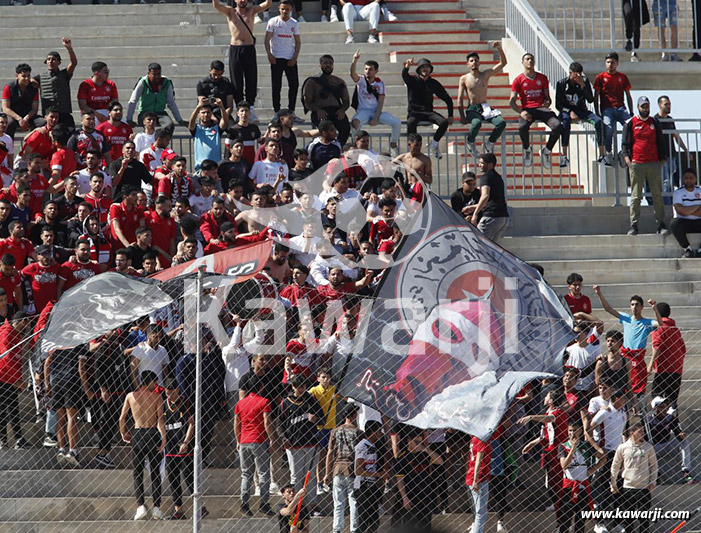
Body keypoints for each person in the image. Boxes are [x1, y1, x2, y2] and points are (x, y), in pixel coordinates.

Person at [594, 286, 661, 398]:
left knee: (638, 390)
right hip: (625, 357)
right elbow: (608, 309)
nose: (634, 307)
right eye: (632, 304)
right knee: (623, 386)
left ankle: (638, 408)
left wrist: (655, 309)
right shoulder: (627, 318)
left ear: (642, 307)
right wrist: (599, 293)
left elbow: (661, 325)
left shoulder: (647, 322)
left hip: (638, 358)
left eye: (637, 304)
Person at [213, 0, 272, 123]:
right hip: (236, 48)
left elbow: (266, 4)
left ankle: (251, 108)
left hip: (249, 48)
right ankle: (240, 109)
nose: (243, 0)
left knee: (251, 79)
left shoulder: (252, 10)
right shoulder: (230, 11)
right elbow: (217, 6)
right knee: (236, 81)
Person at [119, 370, 166, 521]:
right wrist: (163, 438)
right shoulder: (157, 397)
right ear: (149, 382)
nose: (156, 385)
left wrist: (123, 433)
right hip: (152, 434)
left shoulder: (130, 396)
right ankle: (157, 507)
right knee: (155, 472)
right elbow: (160, 421)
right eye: (154, 382)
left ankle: (140, 506)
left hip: (138, 434)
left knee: (138, 472)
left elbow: (122, 418)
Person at [621, 96, 669, 236]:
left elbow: (661, 140)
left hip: (653, 163)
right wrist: (628, 160)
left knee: (657, 195)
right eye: (643, 106)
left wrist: (663, 158)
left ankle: (660, 224)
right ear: (638, 107)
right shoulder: (630, 123)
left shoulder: (654, 122)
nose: (645, 109)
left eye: (647, 106)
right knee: (636, 196)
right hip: (637, 164)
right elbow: (624, 143)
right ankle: (634, 225)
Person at [509, 52, 562, 169]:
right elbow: (512, 101)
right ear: (522, 62)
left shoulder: (542, 78)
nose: (530, 61)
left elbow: (548, 97)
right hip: (528, 109)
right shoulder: (518, 80)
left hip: (542, 109)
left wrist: (548, 101)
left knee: (558, 126)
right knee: (522, 127)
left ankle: (546, 150)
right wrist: (521, 112)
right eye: (527, 59)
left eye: (532, 59)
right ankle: (527, 149)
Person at [457, 42, 508, 157]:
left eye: (476, 60)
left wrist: (499, 48)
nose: (474, 62)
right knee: (476, 123)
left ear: (479, 62)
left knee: (501, 123)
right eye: (471, 60)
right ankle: (470, 141)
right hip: (473, 108)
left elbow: (503, 63)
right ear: (467, 64)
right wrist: (462, 115)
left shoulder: (485, 74)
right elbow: (459, 98)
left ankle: (489, 143)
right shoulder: (464, 78)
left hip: (485, 107)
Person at [234, 376, 275, 516]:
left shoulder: (240, 403)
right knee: (263, 473)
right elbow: (266, 422)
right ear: (261, 387)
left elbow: (236, 423)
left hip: (244, 440)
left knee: (246, 474)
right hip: (259, 439)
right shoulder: (264, 401)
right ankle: (264, 503)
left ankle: (244, 504)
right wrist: (271, 439)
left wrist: (238, 440)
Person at [556, 421, 605, 533]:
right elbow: (564, 465)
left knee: (580, 520)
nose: (572, 433)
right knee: (566, 519)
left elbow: (602, 458)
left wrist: (591, 471)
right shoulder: (563, 446)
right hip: (569, 487)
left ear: (580, 431)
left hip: (583, 485)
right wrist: (572, 449)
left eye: (575, 430)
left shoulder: (585, 446)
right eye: (570, 430)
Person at [349, 50, 401, 155]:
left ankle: (393, 143)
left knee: (397, 123)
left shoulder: (380, 83)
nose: (368, 71)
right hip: (363, 111)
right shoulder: (361, 80)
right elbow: (352, 74)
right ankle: (356, 145)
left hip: (376, 111)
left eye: (371, 69)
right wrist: (354, 61)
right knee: (355, 122)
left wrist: (376, 117)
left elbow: (381, 102)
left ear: (376, 71)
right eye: (366, 69)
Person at [44, 345, 87, 467]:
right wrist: (86, 388)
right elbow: (81, 368)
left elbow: (47, 363)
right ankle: (73, 450)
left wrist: (48, 384)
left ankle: (61, 448)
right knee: (72, 418)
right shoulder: (80, 346)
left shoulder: (58, 346)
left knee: (60, 417)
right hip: (72, 382)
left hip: (57, 382)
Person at [555, 62, 605, 167]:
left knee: (598, 121)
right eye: (575, 74)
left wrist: (583, 85)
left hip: (581, 110)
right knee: (565, 122)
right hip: (566, 110)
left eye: (580, 74)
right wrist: (569, 112)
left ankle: (602, 154)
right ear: (570, 73)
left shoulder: (584, 81)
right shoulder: (561, 83)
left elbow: (590, 100)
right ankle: (564, 156)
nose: (577, 77)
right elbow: (558, 105)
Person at [402, 57, 454, 159]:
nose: (425, 69)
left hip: (428, 112)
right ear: (419, 70)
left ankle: (434, 144)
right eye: (423, 67)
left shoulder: (433, 83)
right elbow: (405, 76)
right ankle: (413, 151)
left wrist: (450, 115)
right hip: (414, 112)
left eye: (427, 67)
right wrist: (406, 67)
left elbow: (448, 99)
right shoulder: (413, 80)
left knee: (443, 122)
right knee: (411, 123)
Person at [611, 422, 657, 533]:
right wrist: (613, 483)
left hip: (644, 488)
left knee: (644, 519)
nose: (643, 433)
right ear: (632, 432)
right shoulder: (623, 447)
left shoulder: (648, 447)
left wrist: (653, 482)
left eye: (643, 431)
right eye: (640, 431)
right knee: (628, 519)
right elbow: (615, 466)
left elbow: (654, 465)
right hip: (628, 488)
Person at [394, 428, 443, 533]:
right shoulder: (403, 457)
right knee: (409, 526)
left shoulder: (425, 454)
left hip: (425, 495)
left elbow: (440, 461)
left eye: (420, 442)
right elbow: (400, 480)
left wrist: (426, 449)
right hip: (411, 495)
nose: (418, 445)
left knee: (425, 526)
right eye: (416, 442)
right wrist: (404, 497)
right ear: (409, 441)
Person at [163, 378, 198, 520]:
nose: (169, 396)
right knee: (173, 478)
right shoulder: (164, 404)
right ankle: (178, 510)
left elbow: (192, 423)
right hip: (170, 447)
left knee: (189, 477)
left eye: (172, 393)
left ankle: (199, 507)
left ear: (177, 390)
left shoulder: (186, 401)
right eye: (167, 394)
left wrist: (186, 441)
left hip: (184, 446)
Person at [325, 402, 360, 533]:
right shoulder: (358, 432)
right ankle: (354, 529)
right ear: (354, 415)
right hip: (352, 469)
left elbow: (329, 452)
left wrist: (327, 474)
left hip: (337, 469)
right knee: (354, 502)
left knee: (338, 504)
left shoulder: (335, 431)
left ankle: (337, 529)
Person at [594, 52, 634, 164]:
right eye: (608, 62)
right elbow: (596, 96)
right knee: (609, 128)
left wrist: (631, 111)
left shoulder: (622, 77)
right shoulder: (600, 77)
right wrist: (597, 112)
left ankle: (625, 150)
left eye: (612, 62)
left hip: (620, 108)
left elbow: (628, 95)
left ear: (617, 63)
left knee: (631, 126)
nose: (610, 65)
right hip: (607, 109)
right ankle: (608, 152)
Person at [303, 55, 351, 145]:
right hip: (320, 111)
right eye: (325, 63)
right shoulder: (312, 81)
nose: (328, 65)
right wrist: (317, 110)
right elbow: (307, 101)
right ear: (320, 65)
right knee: (326, 130)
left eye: (330, 63)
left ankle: (338, 147)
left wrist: (343, 109)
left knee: (345, 129)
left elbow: (346, 100)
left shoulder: (339, 82)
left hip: (336, 111)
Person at [266, 0, 301, 120]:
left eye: (287, 9)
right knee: (276, 86)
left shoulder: (294, 23)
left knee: (294, 85)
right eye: (282, 9)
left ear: (291, 10)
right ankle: (277, 111)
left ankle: (291, 111)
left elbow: (297, 42)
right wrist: (269, 55)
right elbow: (266, 39)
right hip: (276, 58)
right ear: (279, 9)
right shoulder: (273, 21)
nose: (284, 11)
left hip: (290, 57)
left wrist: (295, 57)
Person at [0, 312, 30, 449]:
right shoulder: (6, 333)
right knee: (3, 410)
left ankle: (18, 438)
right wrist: (17, 380)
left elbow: (17, 361)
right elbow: (6, 358)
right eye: (27, 324)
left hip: (10, 378)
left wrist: (18, 379)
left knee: (13, 409)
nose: (27, 327)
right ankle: (2, 440)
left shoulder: (17, 335)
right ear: (22, 321)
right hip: (2, 377)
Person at [126, 63, 185, 130]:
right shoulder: (143, 82)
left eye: (158, 74)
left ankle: (161, 139)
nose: (157, 77)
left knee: (169, 125)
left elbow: (171, 102)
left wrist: (179, 120)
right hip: (145, 112)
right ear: (149, 73)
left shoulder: (166, 83)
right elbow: (133, 101)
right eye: (154, 74)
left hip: (160, 113)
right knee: (148, 125)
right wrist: (129, 119)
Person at [648, 302, 686, 407]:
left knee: (656, 400)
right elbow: (683, 349)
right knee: (672, 402)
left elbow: (657, 345)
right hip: (676, 370)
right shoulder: (675, 329)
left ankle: (657, 423)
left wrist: (650, 365)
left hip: (662, 369)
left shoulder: (659, 327)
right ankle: (674, 422)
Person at [35, 39, 77, 128]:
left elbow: (73, 63)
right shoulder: (40, 77)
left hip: (64, 113)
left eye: (53, 59)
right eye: (48, 59)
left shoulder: (64, 74)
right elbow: (29, 81)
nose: (50, 61)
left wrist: (69, 49)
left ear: (59, 62)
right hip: (49, 115)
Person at [354, 419, 385, 533]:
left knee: (374, 522)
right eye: (379, 431)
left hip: (372, 487)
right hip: (363, 487)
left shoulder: (374, 446)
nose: (381, 434)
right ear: (372, 432)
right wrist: (378, 474)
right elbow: (358, 470)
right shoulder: (363, 446)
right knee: (363, 523)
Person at [655, 95, 688, 202]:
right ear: (660, 105)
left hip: (672, 156)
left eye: (669, 104)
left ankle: (671, 203)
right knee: (665, 182)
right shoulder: (655, 120)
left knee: (671, 181)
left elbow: (676, 136)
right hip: (661, 157)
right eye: (666, 104)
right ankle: (667, 205)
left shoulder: (670, 120)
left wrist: (686, 150)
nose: (668, 106)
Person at [470, 153, 509, 243]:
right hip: (503, 218)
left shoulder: (485, 177)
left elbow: (485, 196)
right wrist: (472, 207)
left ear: (490, 164)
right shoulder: (497, 178)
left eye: (482, 163)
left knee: (479, 245)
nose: (479, 165)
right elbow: (493, 199)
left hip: (491, 217)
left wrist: (475, 214)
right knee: (491, 249)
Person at [2, 63, 40, 139]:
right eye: (23, 76)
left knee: (42, 123)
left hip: (28, 116)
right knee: (9, 124)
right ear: (17, 76)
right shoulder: (9, 87)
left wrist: (26, 118)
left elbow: (34, 109)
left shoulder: (33, 88)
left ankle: (32, 145)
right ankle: (7, 147)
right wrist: (19, 119)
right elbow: (5, 108)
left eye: (28, 76)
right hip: (13, 116)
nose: (26, 79)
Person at [188, 100, 229, 170]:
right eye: (203, 113)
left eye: (208, 112)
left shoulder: (216, 128)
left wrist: (221, 107)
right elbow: (191, 122)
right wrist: (198, 107)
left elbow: (225, 122)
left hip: (215, 167)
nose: (206, 115)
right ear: (199, 115)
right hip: (201, 168)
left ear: (211, 114)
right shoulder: (196, 128)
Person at [130, 323, 169, 388]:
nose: (158, 340)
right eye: (155, 337)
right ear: (148, 335)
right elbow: (133, 372)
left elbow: (165, 371)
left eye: (160, 337)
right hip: (145, 389)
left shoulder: (163, 350)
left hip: (160, 389)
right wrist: (138, 389)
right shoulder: (140, 349)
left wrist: (166, 386)